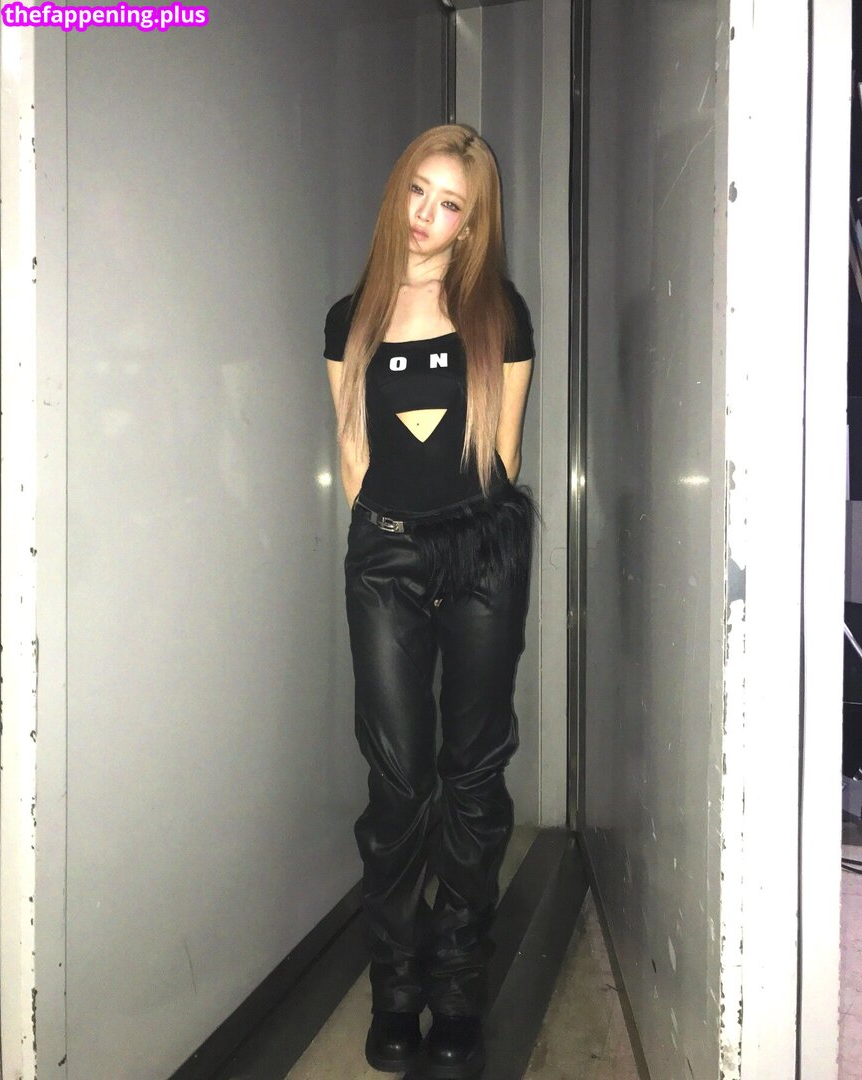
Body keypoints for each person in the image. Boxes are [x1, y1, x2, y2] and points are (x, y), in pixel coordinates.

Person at [324, 123, 535, 1079]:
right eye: (419, 190)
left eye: (450, 204)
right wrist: (387, 538)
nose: (426, 216)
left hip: (482, 549)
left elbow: (505, 452)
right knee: (398, 778)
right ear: (397, 189)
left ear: (471, 223)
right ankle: (394, 992)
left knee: (474, 770)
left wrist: (461, 536)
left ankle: (454, 991)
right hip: (387, 559)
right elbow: (352, 452)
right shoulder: (351, 317)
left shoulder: (499, 315)